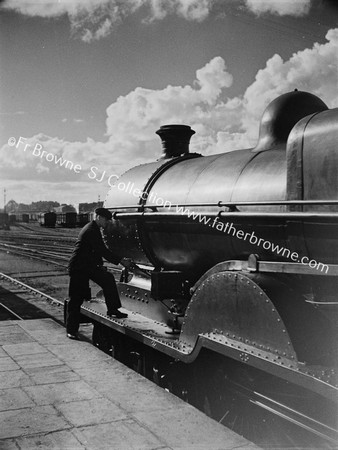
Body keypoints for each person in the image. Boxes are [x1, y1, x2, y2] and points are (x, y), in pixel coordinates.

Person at [66, 207, 134, 340]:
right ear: (99, 217)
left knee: (108, 279)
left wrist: (100, 266)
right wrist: (121, 261)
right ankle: (71, 330)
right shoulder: (91, 230)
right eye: (106, 220)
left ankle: (113, 309)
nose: (107, 223)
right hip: (79, 268)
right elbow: (102, 250)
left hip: (88, 266)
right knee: (76, 298)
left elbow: (95, 252)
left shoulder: (94, 228)